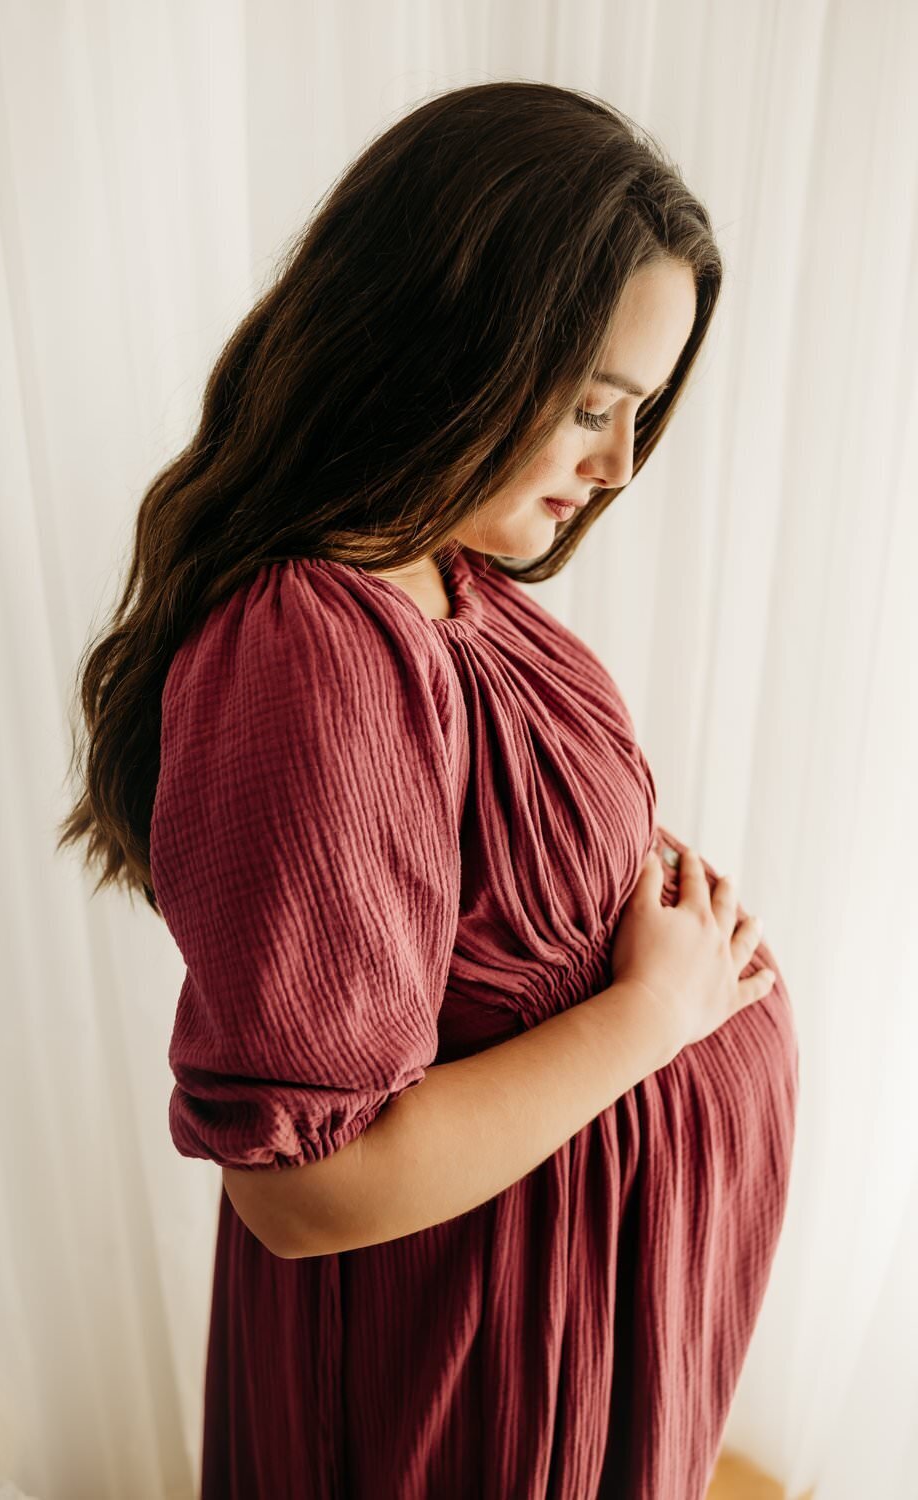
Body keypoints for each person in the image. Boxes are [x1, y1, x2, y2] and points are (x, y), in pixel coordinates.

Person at [58, 80, 798, 1500]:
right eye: (592, 405)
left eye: (640, 412)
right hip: (460, 1373)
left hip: (539, 1322)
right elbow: (302, 1190)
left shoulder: (436, 568)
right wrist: (658, 1014)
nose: (621, 465)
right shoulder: (310, 658)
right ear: (445, 345)